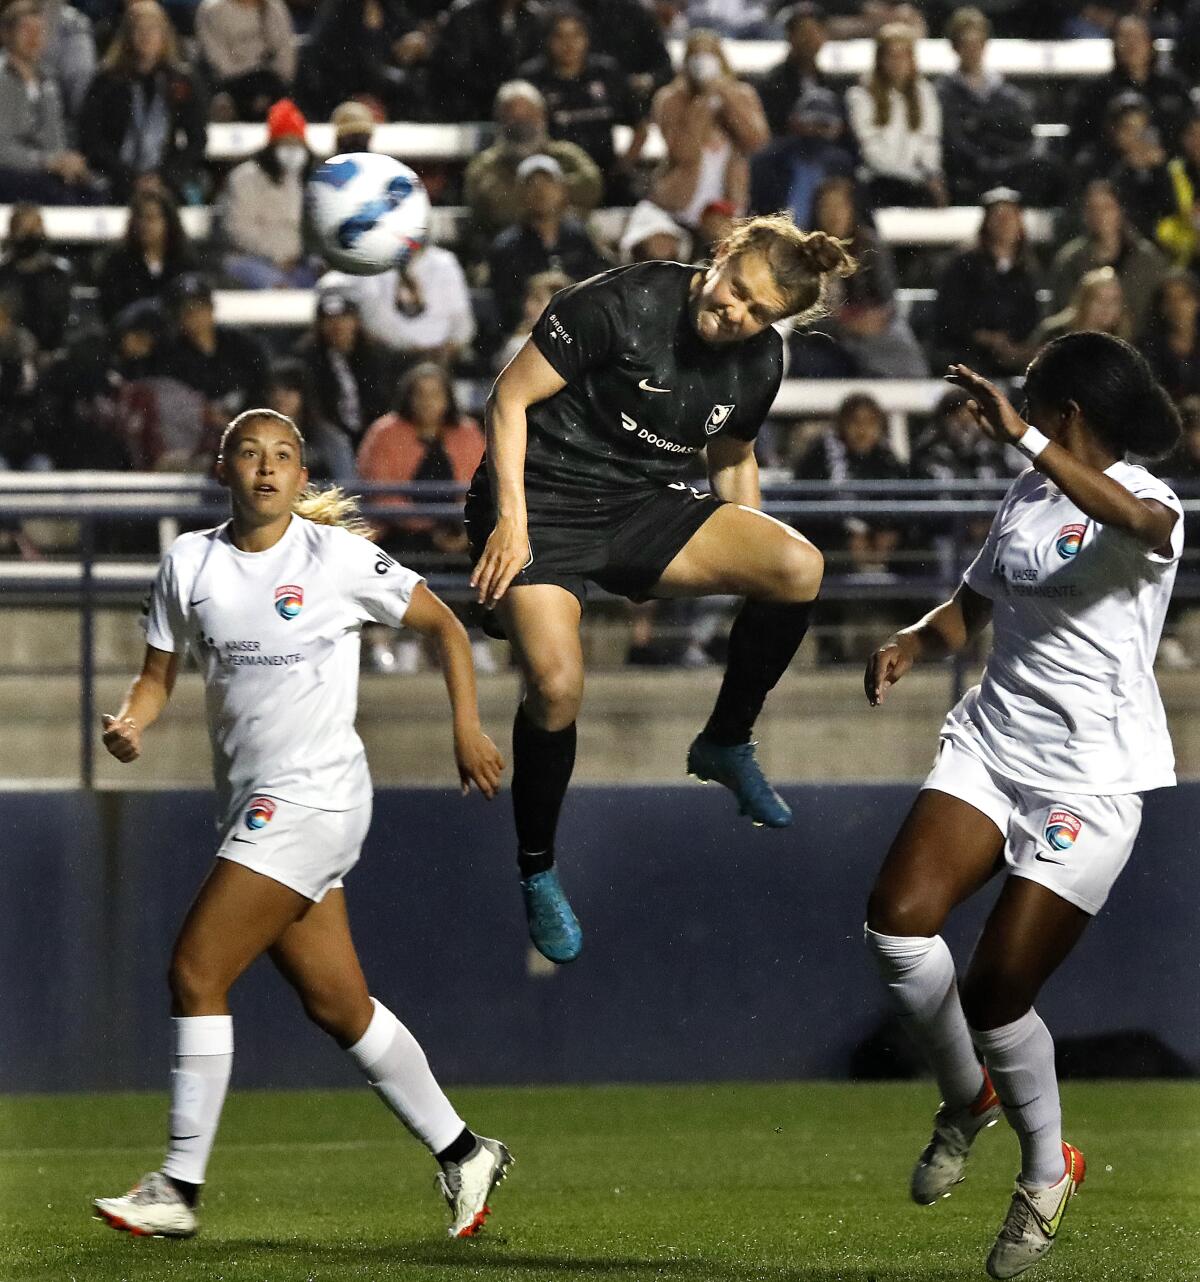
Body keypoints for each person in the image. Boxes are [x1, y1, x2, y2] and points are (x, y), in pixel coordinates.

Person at [91, 408, 511, 1241]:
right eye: (250, 454)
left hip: (315, 795)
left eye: (283, 455)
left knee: (196, 971)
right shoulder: (189, 562)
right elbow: (157, 675)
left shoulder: (336, 558)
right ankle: (464, 1149)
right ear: (223, 469)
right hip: (257, 802)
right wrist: (132, 720)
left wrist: (464, 726)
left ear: (300, 474)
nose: (267, 468)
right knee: (338, 1004)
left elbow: (446, 626)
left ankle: (179, 1187)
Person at [862, 334, 1182, 1281]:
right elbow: (975, 601)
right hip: (994, 747)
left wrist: (1024, 441)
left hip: (1091, 778)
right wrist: (917, 639)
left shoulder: (1148, 500)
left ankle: (1047, 1172)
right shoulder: (1031, 492)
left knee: (1000, 992)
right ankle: (968, 1099)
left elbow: (1142, 524)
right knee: (897, 928)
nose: (1018, 411)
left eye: (1033, 400)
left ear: (1068, 415)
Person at [466, 213, 853, 963]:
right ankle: (538, 868)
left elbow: (733, 456)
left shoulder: (759, 363)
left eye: (757, 312)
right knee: (555, 685)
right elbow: (506, 401)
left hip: (641, 507)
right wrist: (510, 523)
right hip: (539, 500)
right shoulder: (619, 302)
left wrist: (747, 553)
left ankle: (726, 740)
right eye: (735, 290)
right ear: (722, 255)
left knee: (799, 566)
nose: (735, 312)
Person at [78, 0, 208, 204]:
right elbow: (91, 137)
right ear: (127, 35)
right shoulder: (106, 81)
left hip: (165, 181)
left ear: (164, 35)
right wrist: (128, 177)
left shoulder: (182, 80)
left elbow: (197, 139)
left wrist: (163, 176)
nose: (146, 36)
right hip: (114, 179)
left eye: (153, 29)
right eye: (140, 29)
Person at [518, 4, 645, 203]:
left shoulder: (607, 73)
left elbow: (640, 125)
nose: (569, 44)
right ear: (547, 40)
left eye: (576, 35)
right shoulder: (532, 79)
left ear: (587, 38)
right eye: (560, 36)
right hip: (554, 180)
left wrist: (624, 165)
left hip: (606, 177)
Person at [649, 28, 770, 229]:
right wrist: (703, 101)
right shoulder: (670, 98)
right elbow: (682, 152)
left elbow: (756, 141)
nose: (703, 63)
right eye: (696, 56)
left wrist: (725, 95)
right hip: (681, 202)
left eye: (709, 55)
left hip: (728, 202)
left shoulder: (742, 94)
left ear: (720, 60)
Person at [463, 79, 603, 247]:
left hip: (568, 247)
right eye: (512, 116)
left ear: (543, 116)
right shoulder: (484, 165)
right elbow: (495, 210)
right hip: (504, 253)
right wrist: (554, 203)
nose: (521, 124)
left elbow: (592, 188)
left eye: (528, 114)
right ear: (499, 119)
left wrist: (527, 199)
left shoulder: (567, 155)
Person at [487, 153, 610, 333]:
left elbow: (599, 288)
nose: (541, 191)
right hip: (528, 334)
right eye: (532, 184)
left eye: (548, 182)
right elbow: (507, 307)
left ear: (562, 190)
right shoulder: (506, 247)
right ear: (520, 194)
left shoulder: (581, 238)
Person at [930, 187, 1041, 378]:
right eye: (997, 216)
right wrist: (985, 338)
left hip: (1014, 352)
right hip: (969, 351)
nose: (1004, 223)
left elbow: (1031, 316)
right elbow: (949, 316)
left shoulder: (1028, 269)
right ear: (986, 222)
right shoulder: (962, 265)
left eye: (1010, 216)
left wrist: (1016, 347)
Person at [0, 0, 103, 204]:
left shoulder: (49, 82)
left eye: (40, 30)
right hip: (10, 172)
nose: (35, 37)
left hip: (42, 173)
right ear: (6, 34)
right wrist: (47, 162)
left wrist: (66, 162)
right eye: (26, 29)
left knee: (95, 191)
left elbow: (55, 141)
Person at [938, 6, 1042, 206]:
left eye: (977, 43)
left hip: (1010, 173)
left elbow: (1023, 137)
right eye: (965, 44)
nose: (972, 51)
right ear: (955, 47)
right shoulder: (943, 94)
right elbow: (955, 145)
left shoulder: (1008, 95)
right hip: (967, 178)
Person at [216, 98, 320, 291]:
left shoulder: (302, 181)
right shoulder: (243, 178)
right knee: (274, 283)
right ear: (272, 146)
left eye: (297, 144)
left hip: (297, 265)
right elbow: (238, 230)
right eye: (286, 144)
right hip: (252, 260)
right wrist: (278, 255)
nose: (292, 151)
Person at [1049, 178, 1167, 336]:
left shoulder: (1148, 260)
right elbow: (1062, 310)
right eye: (1092, 209)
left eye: (1106, 208)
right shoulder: (1069, 260)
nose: (1100, 215)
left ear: (1120, 211)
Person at [845, 22, 945, 209]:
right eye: (891, 55)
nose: (897, 62)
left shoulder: (925, 93)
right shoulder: (861, 95)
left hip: (917, 181)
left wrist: (930, 174)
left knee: (934, 194)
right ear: (880, 59)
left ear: (911, 59)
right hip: (879, 179)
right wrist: (909, 176)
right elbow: (871, 152)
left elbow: (930, 142)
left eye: (903, 55)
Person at [96, 187, 197, 322]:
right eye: (140, 218)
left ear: (168, 222)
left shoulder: (185, 262)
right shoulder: (118, 263)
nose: (144, 225)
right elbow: (112, 310)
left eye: (151, 218)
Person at [195, 0, 297, 121]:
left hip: (271, 83)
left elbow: (286, 58)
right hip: (230, 85)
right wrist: (252, 78)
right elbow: (218, 61)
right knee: (223, 102)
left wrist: (270, 81)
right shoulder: (212, 9)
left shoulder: (274, 7)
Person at [0, 202, 74, 360]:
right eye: (23, 229)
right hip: (9, 355)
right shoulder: (3, 274)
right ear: (12, 232)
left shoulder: (57, 273)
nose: (29, 235)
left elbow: (61, 322)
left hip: (50, 355)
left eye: (34, 229)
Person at [1140, 269, 1200, 403]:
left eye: (1183, 298)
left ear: (1196, 302)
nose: (1177, 306)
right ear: (1162, 307)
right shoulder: (1149, 348)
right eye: (1170, 299)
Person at [1156, 111, 1200, 271]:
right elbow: (1163, 227)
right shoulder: (1173, 172)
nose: (1197, 141)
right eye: (1192, 135)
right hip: (1187, 260)